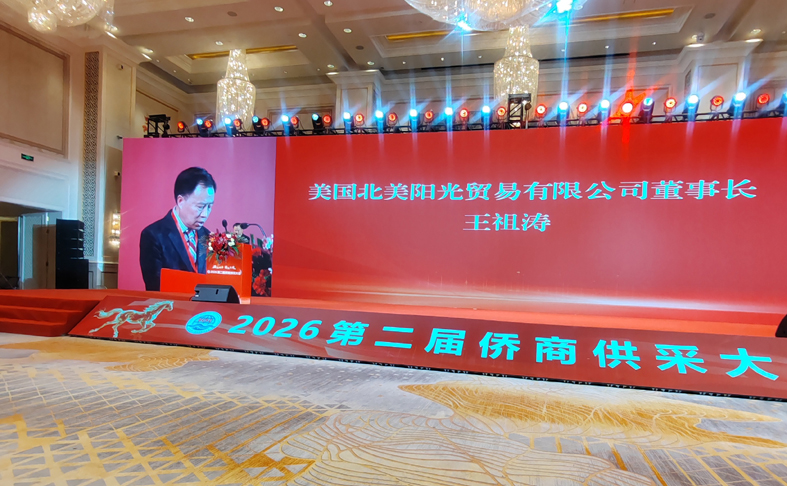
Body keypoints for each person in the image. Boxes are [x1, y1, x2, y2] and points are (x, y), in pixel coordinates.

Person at [139, 167, 216, 291]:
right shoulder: (153, 235)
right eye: (200, 206)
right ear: (180, 201)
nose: (205, 214)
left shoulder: (209, 237)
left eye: (209, 207)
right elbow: (155, 287)